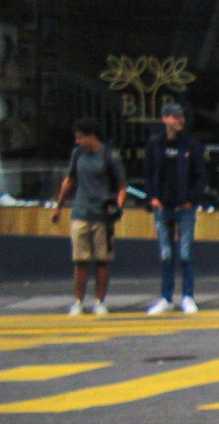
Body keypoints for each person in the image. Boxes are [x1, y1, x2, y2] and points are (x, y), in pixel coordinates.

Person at [49, 116, 125, 316]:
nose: (78, 141)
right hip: (81, 212)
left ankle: (100, 301)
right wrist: (59, 206)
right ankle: (78, 301)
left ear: (91, 136)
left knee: (102, 260)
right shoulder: (78, 155)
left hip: (102, 214)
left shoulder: (109, 156)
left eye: (80, 137)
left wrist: (117, 206)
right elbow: (69, 180)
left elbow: (121, 186)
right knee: (80, 261)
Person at [141, 100, 207, 313]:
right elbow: (149, 172)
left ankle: (187, 295)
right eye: (175, 117)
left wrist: (192, 199)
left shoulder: (190, 145)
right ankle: (166, 297)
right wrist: (152, 197)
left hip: (184, 207)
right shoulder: (155, 143)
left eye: (181, 117)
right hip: (163, 205)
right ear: (165, 119)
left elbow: (200, 175)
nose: (180, 120)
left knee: (186, 253)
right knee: (166, 254)